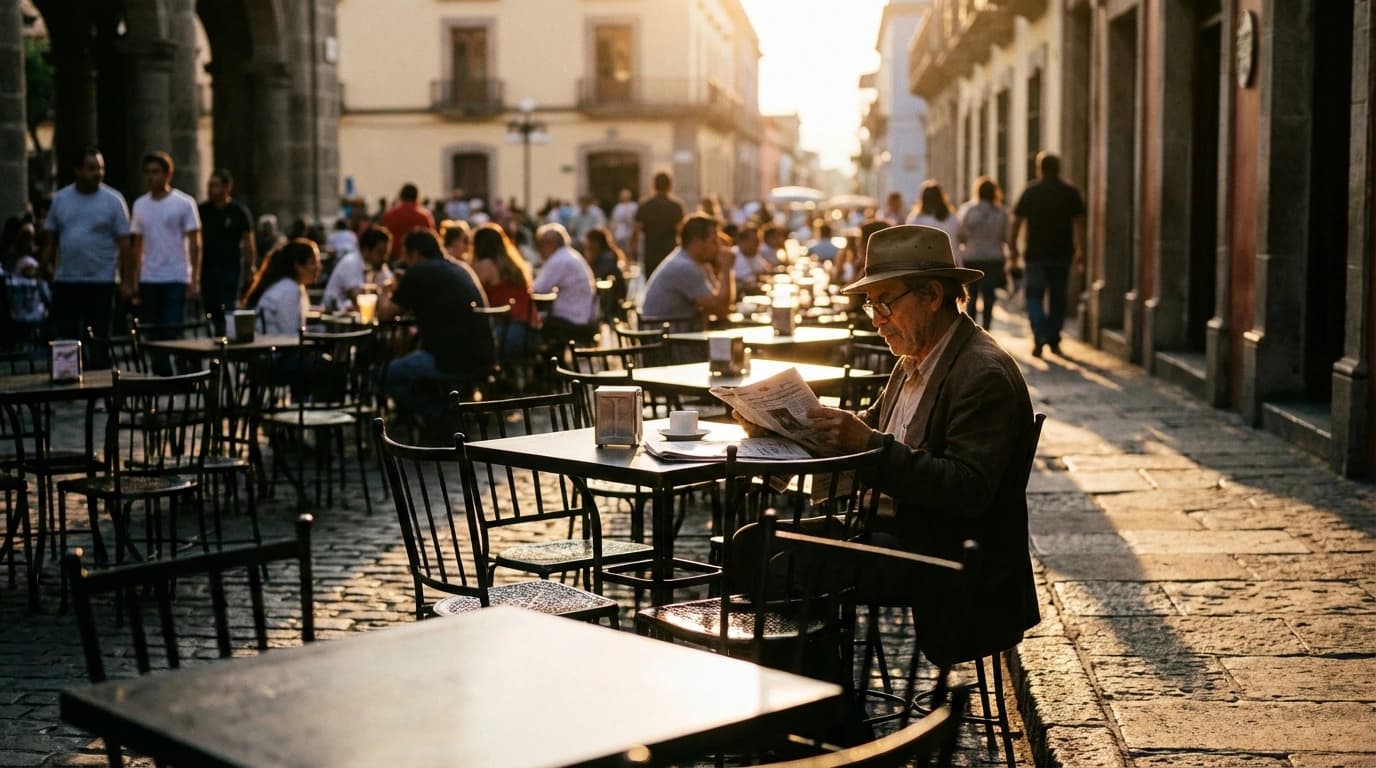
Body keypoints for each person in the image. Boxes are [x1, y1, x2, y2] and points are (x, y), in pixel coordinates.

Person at [794, 223, 1039, 668]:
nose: (878, 319)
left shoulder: (982, 374)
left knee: (780, 564)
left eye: (885, 302)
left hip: (946, 556)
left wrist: (868, 444)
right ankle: (819, 704)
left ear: (932, 295)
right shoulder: (917, 356)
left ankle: (822, 715)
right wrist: (794, 425)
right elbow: (877, 426)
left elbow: (967, 489)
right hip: (897, 532)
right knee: (753, 542)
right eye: (872, 306)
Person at [377, 229, 492, 425]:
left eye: (406, 255)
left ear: (415, 253)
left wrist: (384, 290)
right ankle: (438, 408)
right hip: (483, 355)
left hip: (446, 361)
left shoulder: (418, 272)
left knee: (380, 376)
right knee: (409, 363)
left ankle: (435, 412)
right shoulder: (460, 268)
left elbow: (385, 314)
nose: (404, 261)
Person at [41, 146, 133, 364]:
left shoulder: (114, 200)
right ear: (78, 170)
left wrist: (128, 281)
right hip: (67, 280)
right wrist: (44, 265)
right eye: (92, 168)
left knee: (100, 339)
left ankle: (100, 389)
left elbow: (125, 244)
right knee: (67, 338)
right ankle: (68, 383)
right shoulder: (61, 199)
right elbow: (50, 238)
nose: (98, 173)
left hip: (101, 281)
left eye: (101, 168)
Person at [1010, 152, 1086, 357]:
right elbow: (1080, 224)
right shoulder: (1070, 192)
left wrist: (1013, 251)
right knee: (1058, 297)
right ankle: (1052, 337)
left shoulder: (1031, 191)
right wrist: (1082, 250)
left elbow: (1016, 223)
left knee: (1033, 296)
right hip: (1061, 254)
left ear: (1039, 168)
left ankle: (1040, 334)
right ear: (1058, 168)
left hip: (1035, 254)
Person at [130, 151, 202, 347]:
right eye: (147, 172)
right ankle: (162, 374)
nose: (150, 177)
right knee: (152, 334)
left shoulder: (184, 203)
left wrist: (194, 278)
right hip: (149, 277)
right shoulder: (140, 205)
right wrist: (134, 280)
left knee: (172, 331)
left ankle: (178, 373)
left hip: (176, 276)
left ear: (167, 174)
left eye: (155, 172)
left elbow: (195, 243)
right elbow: (137, 245)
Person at [640, 213, 734, 333]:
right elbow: (721, 309)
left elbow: (722, 302)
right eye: (714, 241)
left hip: (676, 338)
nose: (719, 247)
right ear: (697, 242)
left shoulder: (697, 263)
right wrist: (726, 268)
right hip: (666, 345)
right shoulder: (684, 267)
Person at [198, 168, 256, 333]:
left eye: (215, 185)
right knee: (211, 307)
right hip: (207, 268)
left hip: (229, 268)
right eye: (210, 185)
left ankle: (227, 338)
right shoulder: (202, 211)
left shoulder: (238, 211)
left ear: (227, 187)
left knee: (228, 307)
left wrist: (250, 267)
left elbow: (248, 241)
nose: (211, 189)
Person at [471, 222, 538, 360]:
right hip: (530, 329)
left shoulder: (486, 265)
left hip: (507, 332)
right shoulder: (513, 263)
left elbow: (470, 292)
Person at [531, 222, 598, 348]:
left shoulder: (558, 260)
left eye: (541, 246)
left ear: (550, 244)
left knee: (530, 324)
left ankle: (546, 363)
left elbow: (538, 289)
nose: (540, 251)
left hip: (571, 320)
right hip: (583, 316)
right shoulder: (570, 255)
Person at [956, 177, 1010, 330]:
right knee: (989, 295)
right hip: (993, 258)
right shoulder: (1001, 212)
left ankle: (971, 327)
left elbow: (960, 234)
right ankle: (987, 326)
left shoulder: (968, 210)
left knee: (971, 294)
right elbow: (1006, 237)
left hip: (972, 256)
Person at [242, 238, 320, 336]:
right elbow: (291, 334)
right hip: (272, 347)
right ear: (298, 266)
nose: (318, 267)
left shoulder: (291, 286)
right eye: (313, 262)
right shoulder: (289, 289)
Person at [322, 226, 393, 312]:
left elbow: (391, 291)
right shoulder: (351, 262)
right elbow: (359, 298)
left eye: (386, 253)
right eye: (380, 252)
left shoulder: (380, 266)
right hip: (332, 320)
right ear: (365, 250)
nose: (384, 257)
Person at [630, 172, 685, 276]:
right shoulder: (676, 207)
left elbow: (636, 232)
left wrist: (632, 252)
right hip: (670, 255)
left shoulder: (645, 206)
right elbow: (681, 232)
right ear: (670, 186)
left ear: (653, 185)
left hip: (651, 255)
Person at [582, 226, 628, 321]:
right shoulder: (610, 256)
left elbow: (595, 283)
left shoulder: (604, 260)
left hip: (609, 306)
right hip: (615, 303)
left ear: (594, 244)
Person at [381, 183, 435, 261]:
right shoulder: (424, 216)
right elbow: (431, 240)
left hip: (394, 259)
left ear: (401, 196)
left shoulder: (389, 215)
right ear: (417, 197)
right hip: (419, 260)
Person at [905, 180, 960, 257]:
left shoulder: (915, 219)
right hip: (949, 260)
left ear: (923, 199)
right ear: (941, 197)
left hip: (924, 262)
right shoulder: (952, 218)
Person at [731, 225, 769, 291]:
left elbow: (766, 269)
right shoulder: (731, 255)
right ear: (742, 241)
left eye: (759, 242)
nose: (758, 245)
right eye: (756, 241)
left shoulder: (754, 255)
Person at [609, 188, 638, 253]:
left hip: (631, 231)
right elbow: (614, 221)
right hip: (620, 232)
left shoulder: (634, 206)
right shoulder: (618, 207)